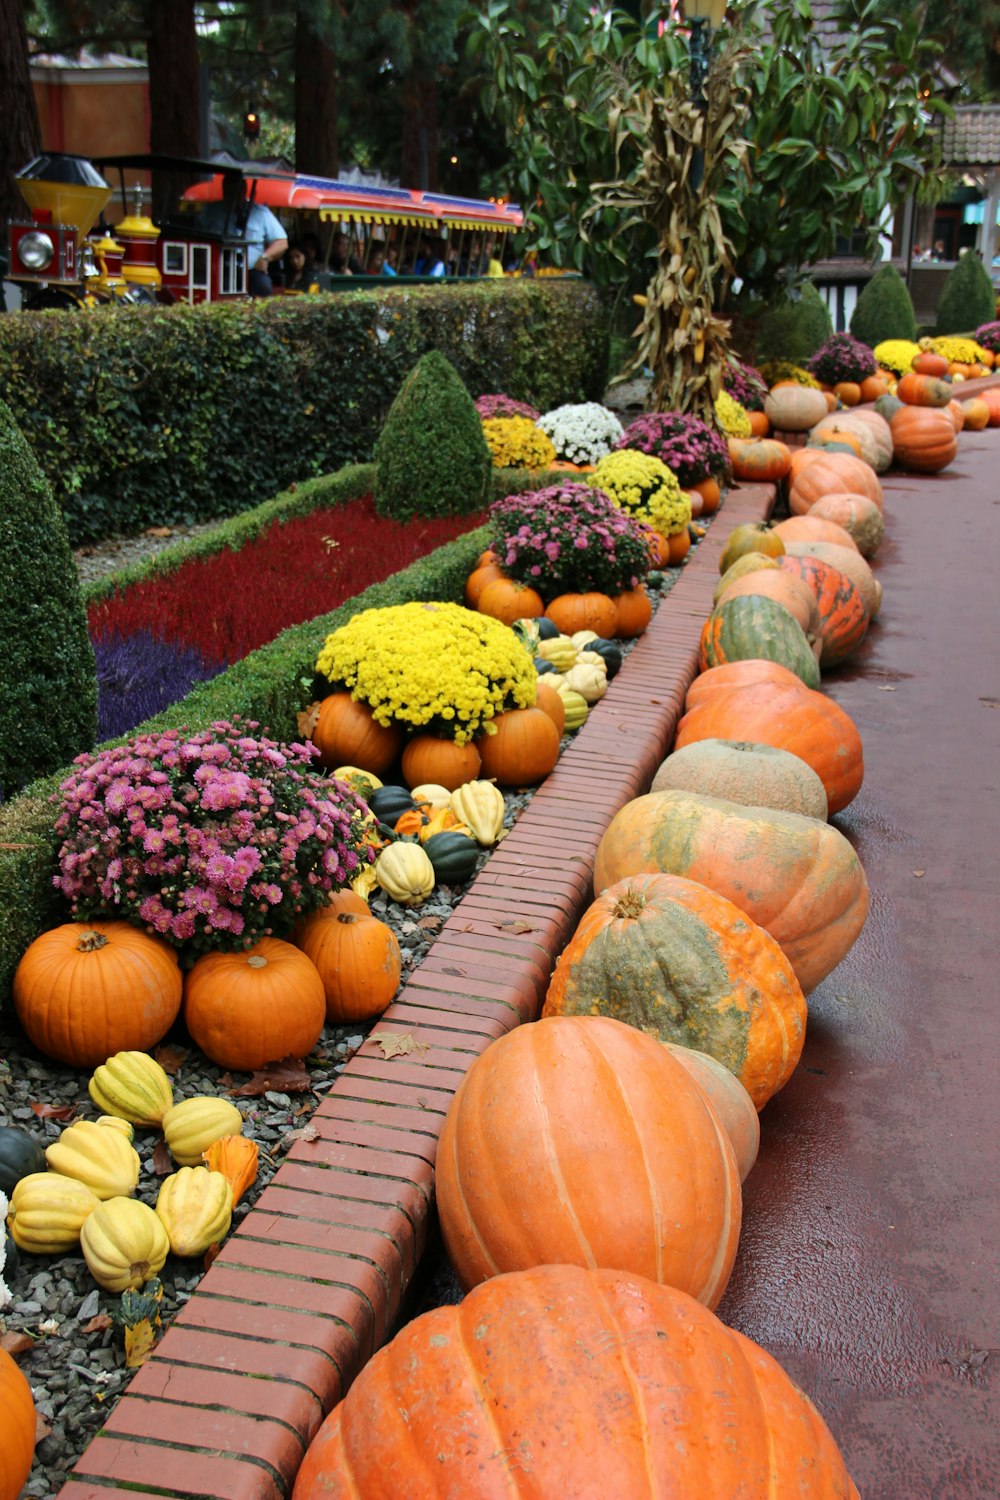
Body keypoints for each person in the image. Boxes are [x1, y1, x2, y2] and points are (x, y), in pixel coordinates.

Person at [196, 174, 287, 296]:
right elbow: (196, 234)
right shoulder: (211, 211)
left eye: (236, 190)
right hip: (220, 269)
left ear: (244, 190)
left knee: (263, 287)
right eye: (229, 190)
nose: (232, 195)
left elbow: (282, 242)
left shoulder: (261, 213)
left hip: (252, 270)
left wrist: (265, 257)